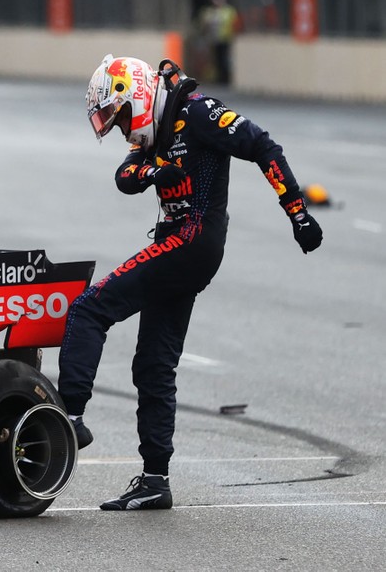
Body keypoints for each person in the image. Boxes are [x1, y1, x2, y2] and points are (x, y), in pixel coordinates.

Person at [58, 54, 322, 510]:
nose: (122, 130)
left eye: (120, 118)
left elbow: (263, 146)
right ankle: (155, 480)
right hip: (179, 246)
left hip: (192, 242)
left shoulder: (198, 112)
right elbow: (124, 176)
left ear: (137, 96)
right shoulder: (156, 126)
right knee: (153, 365)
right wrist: (153, 172)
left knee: (89, 307)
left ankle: (69, 419)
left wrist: (297, 212)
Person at [200, 0, 239, 84]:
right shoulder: (209, 12)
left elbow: (235, 24)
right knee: (215, 60)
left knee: (225, 59)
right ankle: (217, 78)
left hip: (226, 39)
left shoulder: (229, 11)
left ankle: (225, 78)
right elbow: (204, 25)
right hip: (213, 40)